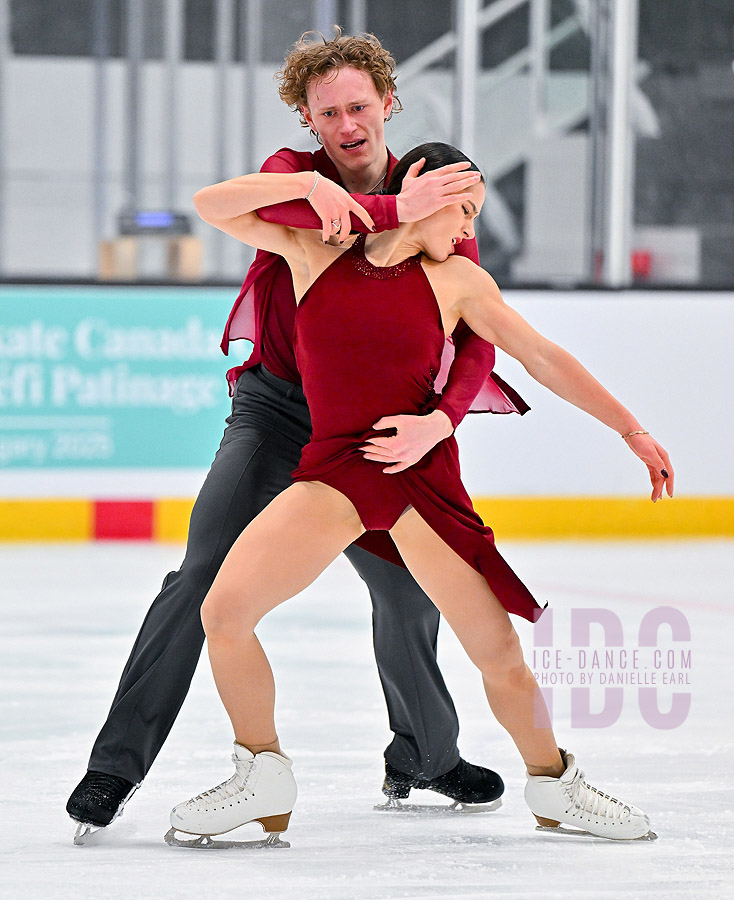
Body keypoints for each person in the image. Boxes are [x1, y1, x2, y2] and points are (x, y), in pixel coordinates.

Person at [66, 30, 524, 840]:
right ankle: (114, 767)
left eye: (358, 106)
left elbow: (476, 321)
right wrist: (389, 211)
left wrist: (442, 419)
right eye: (328, 112)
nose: (346, 123)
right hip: (277, 412)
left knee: (408, 590)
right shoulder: (292, 175)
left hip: (373, 427)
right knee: (203, 574)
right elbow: (281, 217)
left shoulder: (432, 179)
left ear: (388, 104)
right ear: (309, 122)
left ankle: (423, 755)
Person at [167, 141, 673, 846]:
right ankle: (263, 777)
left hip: (417, 483)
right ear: (420, 190)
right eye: (461, 206)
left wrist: (631, 430)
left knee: (497, 651)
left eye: (474, 213)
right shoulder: (319, 250)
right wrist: (324, 192)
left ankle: (556, 783)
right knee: (224, 610)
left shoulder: (458, 279)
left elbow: (544, 357)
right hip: (337, 470)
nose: (469, 226)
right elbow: (211, 205)